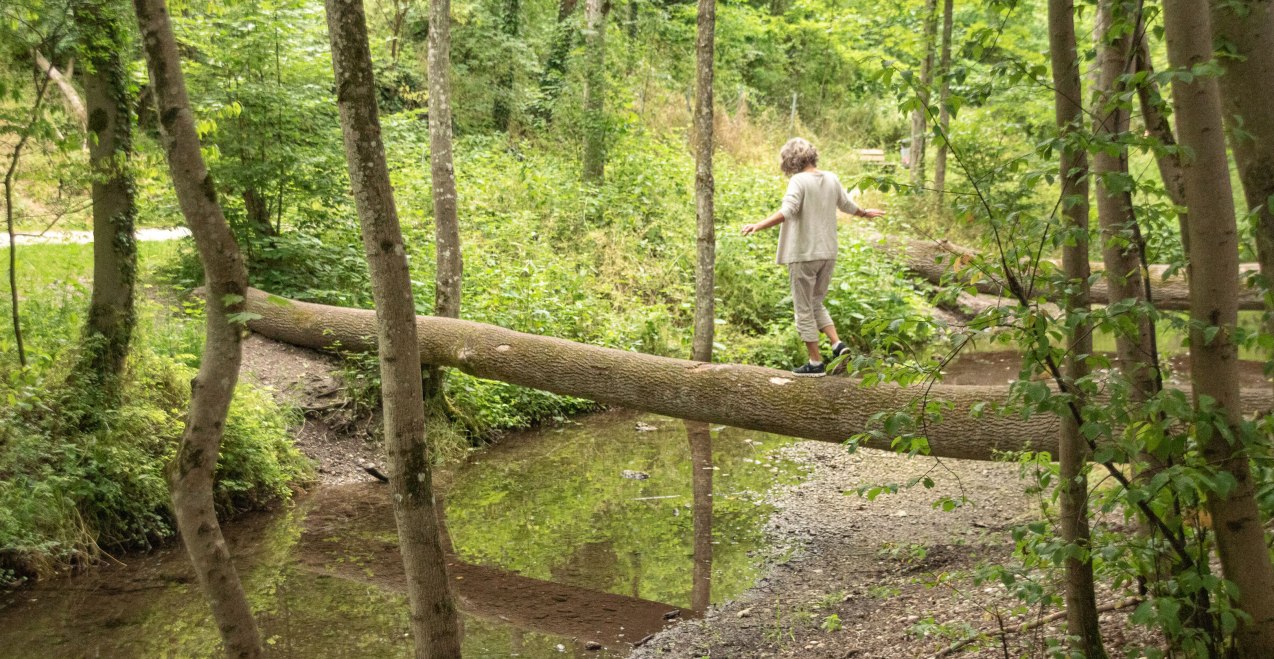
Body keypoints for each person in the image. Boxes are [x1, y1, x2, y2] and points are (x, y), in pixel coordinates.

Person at [741, 138, 886, 376]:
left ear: (790, 160)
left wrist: (759, 225)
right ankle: (838, 345)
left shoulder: (799, 180)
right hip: (828, 253)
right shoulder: (831, 178)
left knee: (803, 308)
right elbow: (847, 205)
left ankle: (815, 363)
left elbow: (788, 211)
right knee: (816, 302)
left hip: (803, 254)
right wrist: (864, 213)